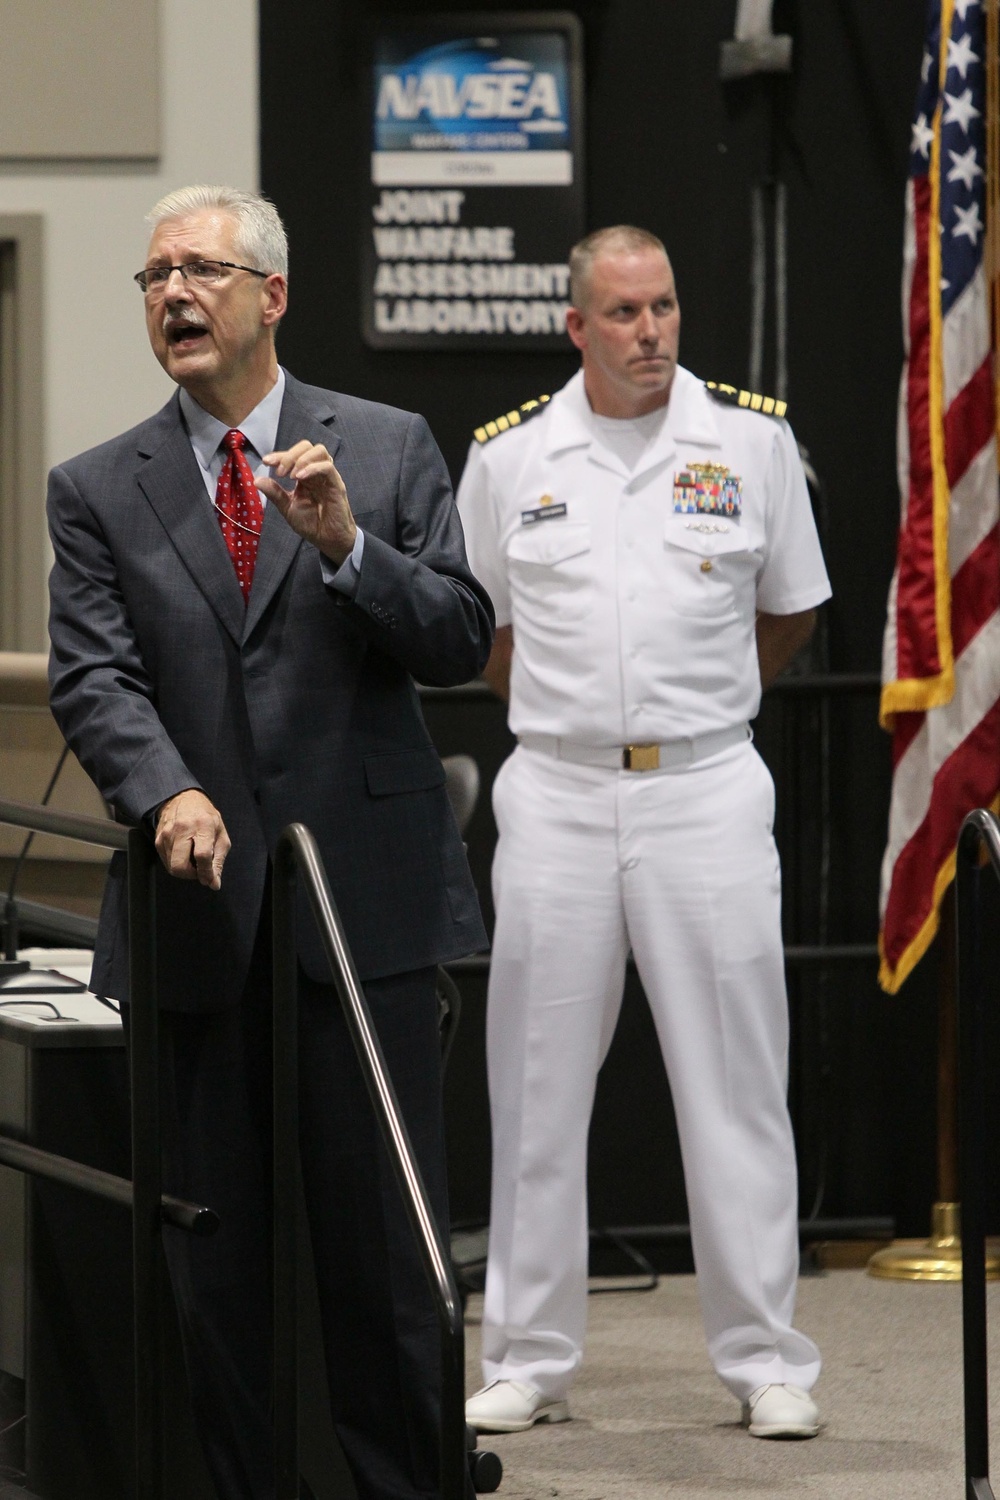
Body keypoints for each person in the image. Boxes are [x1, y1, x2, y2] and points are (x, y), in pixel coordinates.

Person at [46, 185, 493, 1500]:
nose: (173, 295)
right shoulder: (97, 487)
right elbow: (95, 679)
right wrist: (165, 787)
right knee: (217, 1264)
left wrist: (350, 548)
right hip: (200, 920)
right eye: (152, 277)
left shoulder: (391, 444)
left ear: (271, 297)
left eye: (200, 270)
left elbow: (461, 637)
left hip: (364, 915)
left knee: (387, 1271)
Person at [456, 225, 830, 1441]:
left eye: (663, 307)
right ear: (575, 327)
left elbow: (787, 615)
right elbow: (482, 635)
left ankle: (768, 1358)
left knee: (734, 1085)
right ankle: (524, 1353)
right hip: (557, 792)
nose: (650, 332)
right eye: (621, 313)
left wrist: (691, 711)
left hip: (706, 788)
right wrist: (585, 726)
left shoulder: (753, 442)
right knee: (535, 1083)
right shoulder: (511, 459)